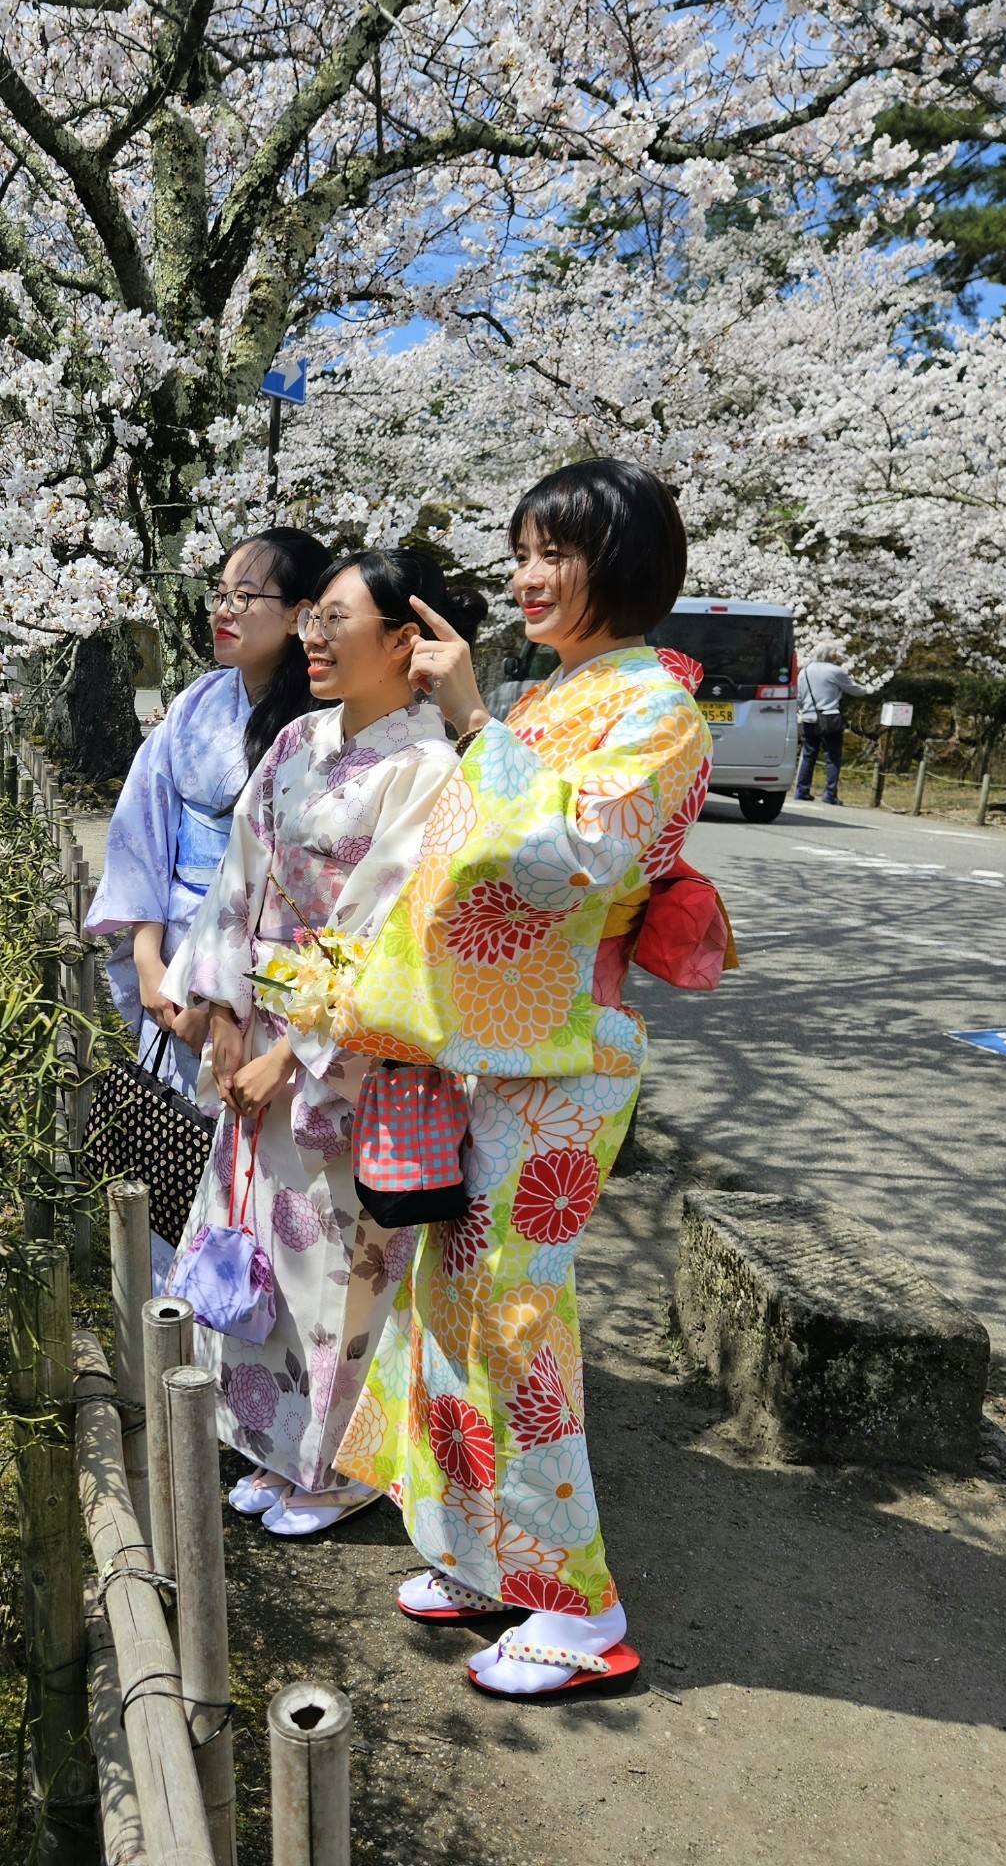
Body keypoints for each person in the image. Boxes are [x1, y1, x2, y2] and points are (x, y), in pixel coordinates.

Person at [284, 459, 711, 1695]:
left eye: (556, 554)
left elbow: (572, 855)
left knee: (517, 1316)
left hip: (567, 1052)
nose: (528, 575)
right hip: (493, 1052)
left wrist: (473, 724)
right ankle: (483, 1554)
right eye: (522, 549)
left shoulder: (657, 710)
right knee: (453, 1305)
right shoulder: (563, 696)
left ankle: (580, 1612)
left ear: (619, 567)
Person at [165, 548, 483, 1536]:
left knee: (335, 1260)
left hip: (348, 1058)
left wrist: (288, 1052)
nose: (310, 635)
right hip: (259, 1024)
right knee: (254, 1238)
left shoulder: (426, 768)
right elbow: (238, 881)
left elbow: (389, 931)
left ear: (403, 640)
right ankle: (267, 1441)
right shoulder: (298, 738)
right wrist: (217, 1015)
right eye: (311, 618)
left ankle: (340, 1466)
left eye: (334, 619)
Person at [85, 529, 332, 1094]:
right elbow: (142, 829)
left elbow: (300, 888)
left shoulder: (323, 728)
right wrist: (150, 958)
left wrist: (215, 993)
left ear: (300, 615)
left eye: (245, 597)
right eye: (219, 593)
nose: (224, 610)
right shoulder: (197, 700)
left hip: (257, 975)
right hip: (168, 948)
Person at [795, 648, 872, 805]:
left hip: (809, 718)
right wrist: (867, 689)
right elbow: (854, 690)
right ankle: (830, 794)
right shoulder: (835, 671)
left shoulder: (805, 671)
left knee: (808, 755)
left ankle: (802, 790)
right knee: (833, 758)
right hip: (830, 719)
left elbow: (798, 697)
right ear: (831, 655)